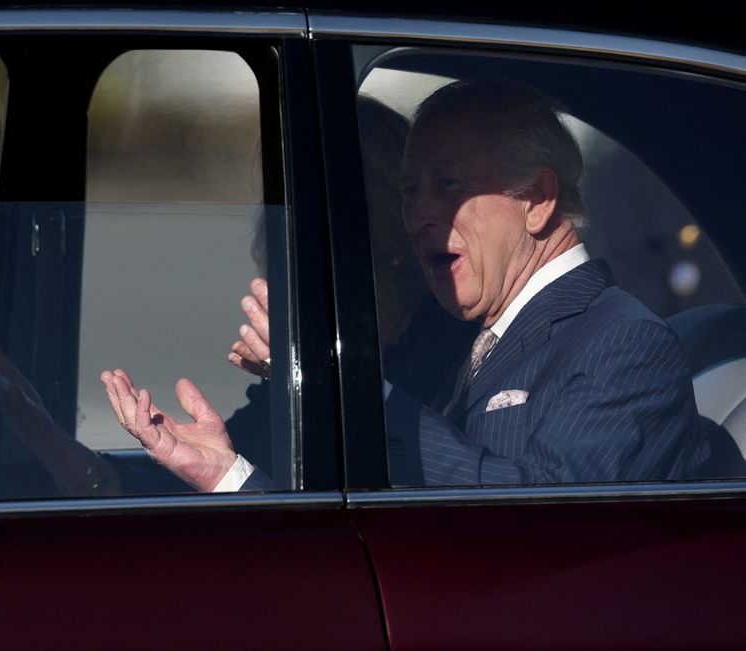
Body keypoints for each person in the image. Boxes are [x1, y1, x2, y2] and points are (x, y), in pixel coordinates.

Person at [101, 78, 730, 490]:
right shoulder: (486, 338)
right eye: (409, 190)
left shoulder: (620, 342)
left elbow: (532, 526)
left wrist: (352, 390)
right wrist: (225, 472)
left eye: (449, 184)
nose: (420, 213)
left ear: (537, 200)